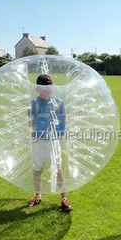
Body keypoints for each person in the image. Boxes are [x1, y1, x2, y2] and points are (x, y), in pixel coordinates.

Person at [27, 74, 72, 212]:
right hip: (39, 141)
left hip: (53, 141)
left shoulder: (58, 102)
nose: (48, 91)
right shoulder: (34, 104)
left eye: (50, 88)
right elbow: (30, 123)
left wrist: (62, 122)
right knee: (37, 170)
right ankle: (37, 195)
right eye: (45, 89)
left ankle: (63, 198)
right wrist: (39, 122)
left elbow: (63, 120)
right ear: (38, 89)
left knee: (58, 170)